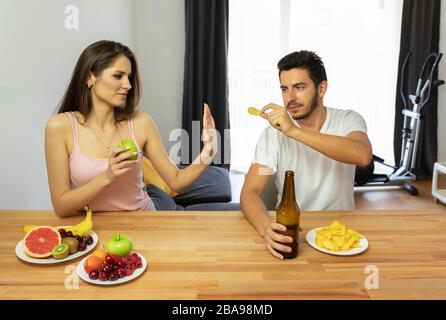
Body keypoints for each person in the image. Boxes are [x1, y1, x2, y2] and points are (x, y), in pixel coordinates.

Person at [45, 40, 216, 217]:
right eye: (118, 76)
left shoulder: (142, 123)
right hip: (90, 229)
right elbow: (61, 206)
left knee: (161, 199)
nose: (128, 85)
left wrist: (209, 151)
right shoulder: (60, 127)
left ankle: (157, 195)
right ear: (90, 78)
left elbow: (176, 181)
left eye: (129, 77)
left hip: (141, 219)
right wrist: (107, 177)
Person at [240, 50, 372, 259]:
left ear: (321, 88)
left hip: (339, 232)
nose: (290, 98)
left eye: (299, 87)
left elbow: (363, 155)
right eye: (284, 89)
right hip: (294, 231)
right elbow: (250, 191)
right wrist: (266, 227)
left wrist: (295, 132)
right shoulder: (272, 135)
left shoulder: (348, 120)